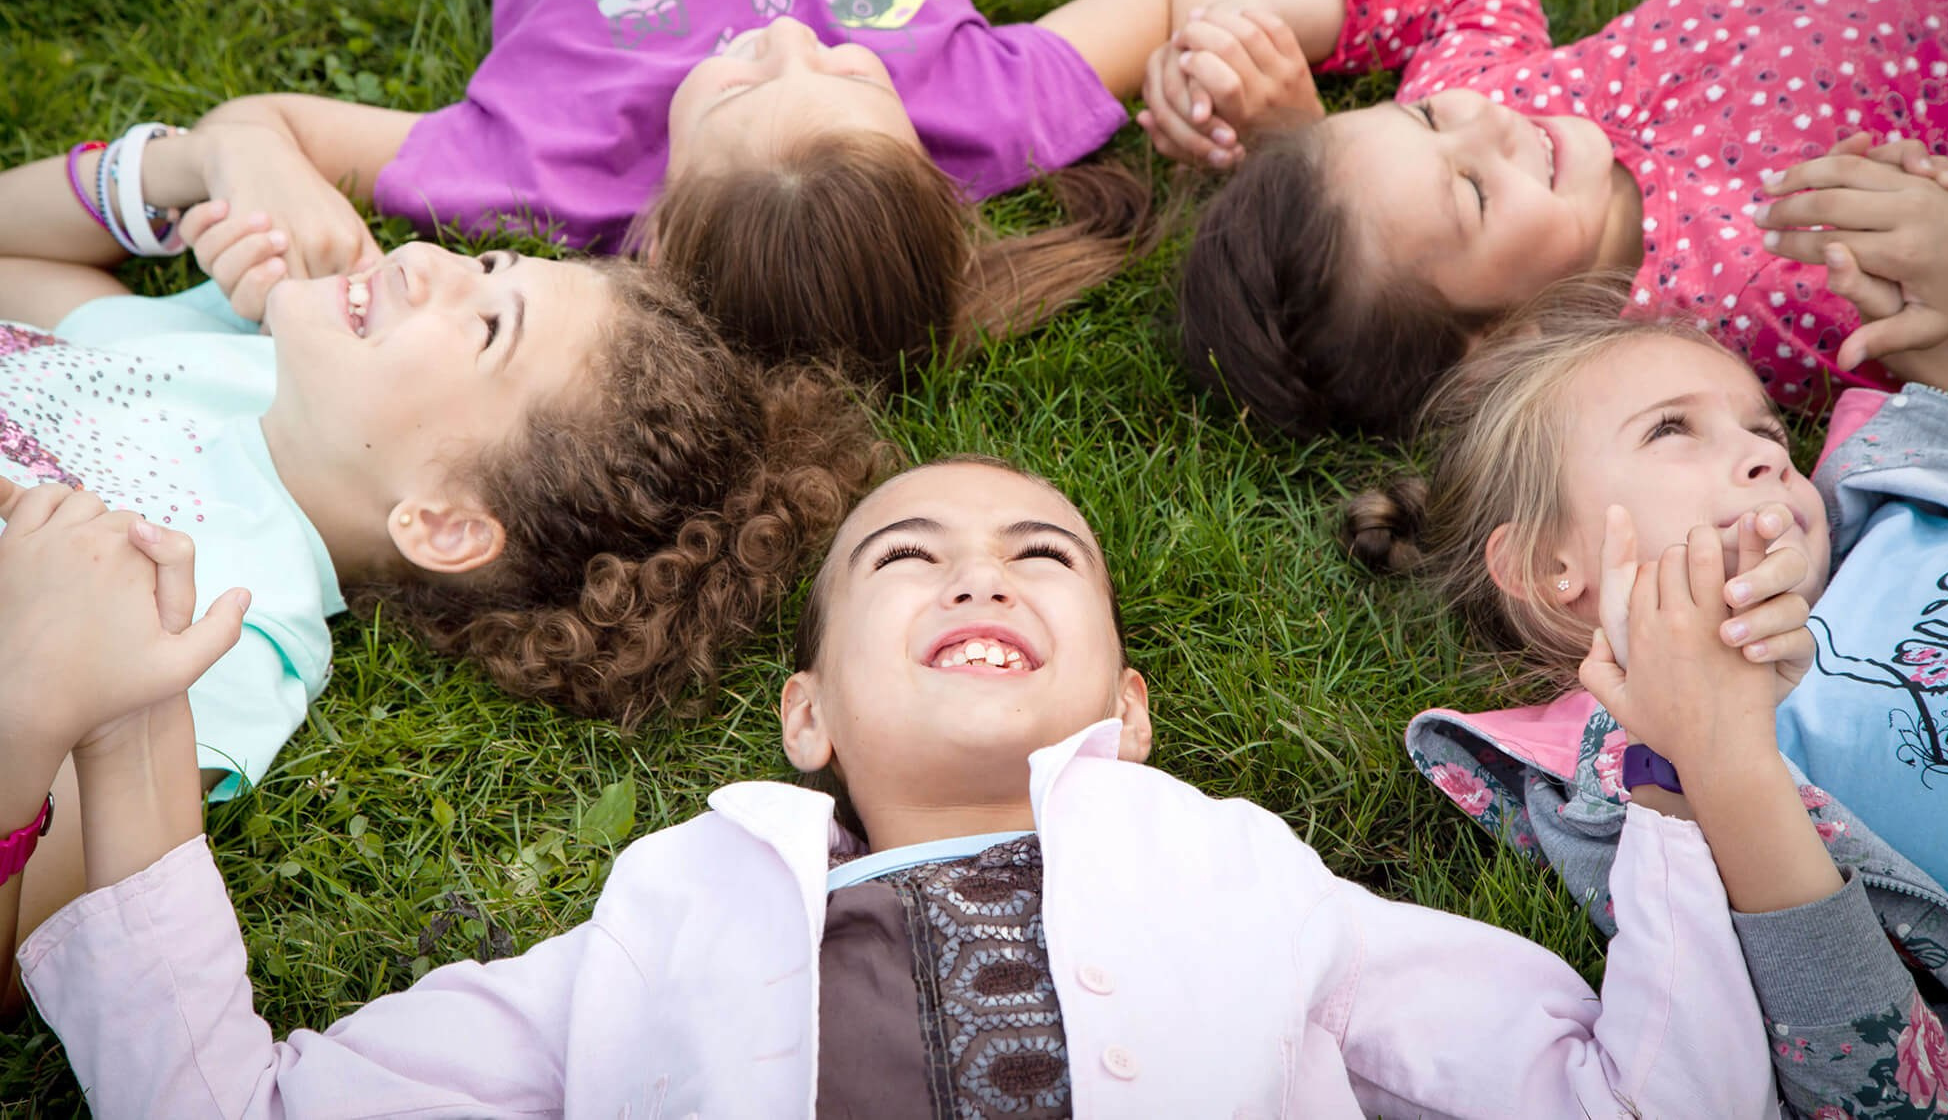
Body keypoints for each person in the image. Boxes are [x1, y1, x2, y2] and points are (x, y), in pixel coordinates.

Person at [4, 458, 1789, 1117]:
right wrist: (127, 733)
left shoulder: (1257, 882)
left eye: (1042, 554)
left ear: (1132, 708)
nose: (979, 578)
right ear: (805, 714)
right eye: (906, 558)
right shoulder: (666, 919)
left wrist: (1698, 778)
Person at [14, 0, 1341, 379]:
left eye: (733, 88)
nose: (792, 38)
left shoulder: (541, 162)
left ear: (656, 221)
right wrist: (1221, 52)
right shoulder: (975, 111)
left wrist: (245, 162)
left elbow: (267, 125)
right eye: (848, 72)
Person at [0, 154, 885, 1006]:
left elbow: (17, 953)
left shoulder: (227, 634)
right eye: (486, 262)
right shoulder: (233, 357)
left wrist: (26, 703)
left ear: (446, 523)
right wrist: (192, 165)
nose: (423, 260)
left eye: (486, 326)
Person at [1351, 255, 1948, 1114]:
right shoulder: (1652, 798)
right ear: (1552, 566)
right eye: (1671, 430)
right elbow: (1893, 1095)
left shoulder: (1908, 495)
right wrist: (1725, 759)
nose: (1764, 457)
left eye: (1768, 431)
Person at [1164, 0, 1948, 437]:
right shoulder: (1756, 301)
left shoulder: (1492, 94)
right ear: (1496, 346)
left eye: (1419, 115)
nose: (1485, 122)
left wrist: (1259, 19)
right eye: (1473, 191)